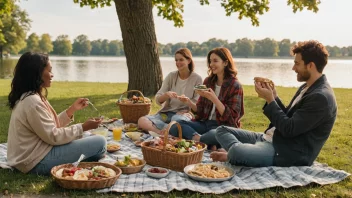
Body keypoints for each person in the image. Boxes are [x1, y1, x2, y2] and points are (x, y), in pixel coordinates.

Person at [211, 40, 337, 167]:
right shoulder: (308, 87)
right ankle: (242, 153)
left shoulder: (320, 97)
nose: (293, 68)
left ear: (311, 65)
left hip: (285, 152)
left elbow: (289, 129)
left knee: (236, 151)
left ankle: (235, 154)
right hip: (272, 138)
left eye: (297, 64)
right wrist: (274, 97)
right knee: (221, 130)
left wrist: (271, 100)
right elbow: (288, 117)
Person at [7, 52, 106, 175]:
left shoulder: (30, 96)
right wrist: (83, 127)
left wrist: (72, 110)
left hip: (30, 157)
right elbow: (53, 136)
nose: (52, 75)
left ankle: (81, 159)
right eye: (49, 70)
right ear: (36, 73)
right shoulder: (32, 102)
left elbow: (48, 127)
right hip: (34, 162)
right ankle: (82, 160)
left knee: (90, 140)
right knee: (100, 143)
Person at [169, 47, 244, 149]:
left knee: (216, 134)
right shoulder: (208, 81)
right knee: (176, 125)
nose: (211, 64)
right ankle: (200, 140)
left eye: (215, 61)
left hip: (221, 127)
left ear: (225, 63)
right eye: (210, 61)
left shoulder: (235, 85)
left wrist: (214, 98)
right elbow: (199, 111)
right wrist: (189, 103)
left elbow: (232, 119)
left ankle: (204, 141)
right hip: (204, 124)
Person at [138, 48, 202, 134]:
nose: (178, 63)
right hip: (167, 113)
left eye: (181, 60)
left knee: (176, 120)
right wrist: (166, 95)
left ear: (189, 60)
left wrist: (188, 102)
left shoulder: (197, 79)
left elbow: (198, 108)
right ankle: (162, 132)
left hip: (183, 114)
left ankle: (168, 129)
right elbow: (158, 100)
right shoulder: (171, 76)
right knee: (142, 120)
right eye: (176, 60)